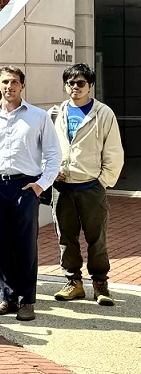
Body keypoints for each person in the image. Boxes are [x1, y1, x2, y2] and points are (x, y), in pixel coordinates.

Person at [0, 66, 59, 321]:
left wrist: (41, 185)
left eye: (14, 82)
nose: (9, 86)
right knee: (1, 244)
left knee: (26, 244)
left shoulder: (38, 117)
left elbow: (53, 156)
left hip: (26, 186)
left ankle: (26, 300)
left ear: (22, 85)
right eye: (5, 82)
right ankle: (7, 298)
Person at [49, 63, 123, 306]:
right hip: (63, 188)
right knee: (66, 238)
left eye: (81, 83)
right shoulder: (57, 113)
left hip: (91, 187)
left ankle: (100, 283)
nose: (75, 87)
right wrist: (51, 171)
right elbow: (47, 148)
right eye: (70, 83)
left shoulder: (103, 113)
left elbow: (113, 152)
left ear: (90, 86)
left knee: (96, 238)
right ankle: (74, 282)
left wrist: (102, 182)